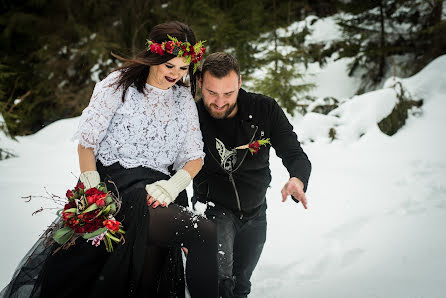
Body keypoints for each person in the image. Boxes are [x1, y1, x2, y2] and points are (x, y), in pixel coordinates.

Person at [1, 21, 218, 298]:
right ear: (153, 57)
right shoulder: (118, 85)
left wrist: (172, 187)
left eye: (183, 68)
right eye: (169, 65)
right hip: (119, 192)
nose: (176, 74)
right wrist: (92, 193)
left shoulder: (183, 100)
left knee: (147, 279)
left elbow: (194, 158)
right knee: (204, 232)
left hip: (159, 194)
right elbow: (87, 144)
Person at [192, 52, 311, 298]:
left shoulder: (264, 109)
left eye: (228, 93)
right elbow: (173, 170)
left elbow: (294, 152)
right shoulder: (191, 117)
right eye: (212, 93)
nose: (220, 102)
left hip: (256, 210)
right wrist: (182, 223)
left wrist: (297, 178)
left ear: (240, 83)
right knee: (218, 283)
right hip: (213, 208)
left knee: (241, 284)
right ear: (201, 83)